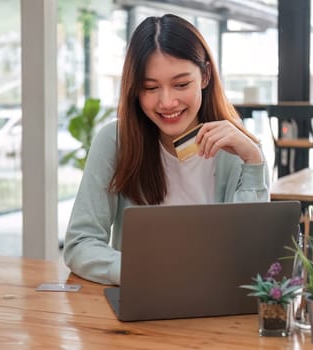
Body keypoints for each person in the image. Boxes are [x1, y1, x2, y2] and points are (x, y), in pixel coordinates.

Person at [63, 14, 269, 285]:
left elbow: (251, 256)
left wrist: (253, 159)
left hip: (215, 308)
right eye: (150, 87)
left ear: (205, 76)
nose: (167, 102)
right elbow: (80, 244)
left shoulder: (235, 149)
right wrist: (141, 271)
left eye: (181, 84)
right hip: (141, 298)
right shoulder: (115, 140)